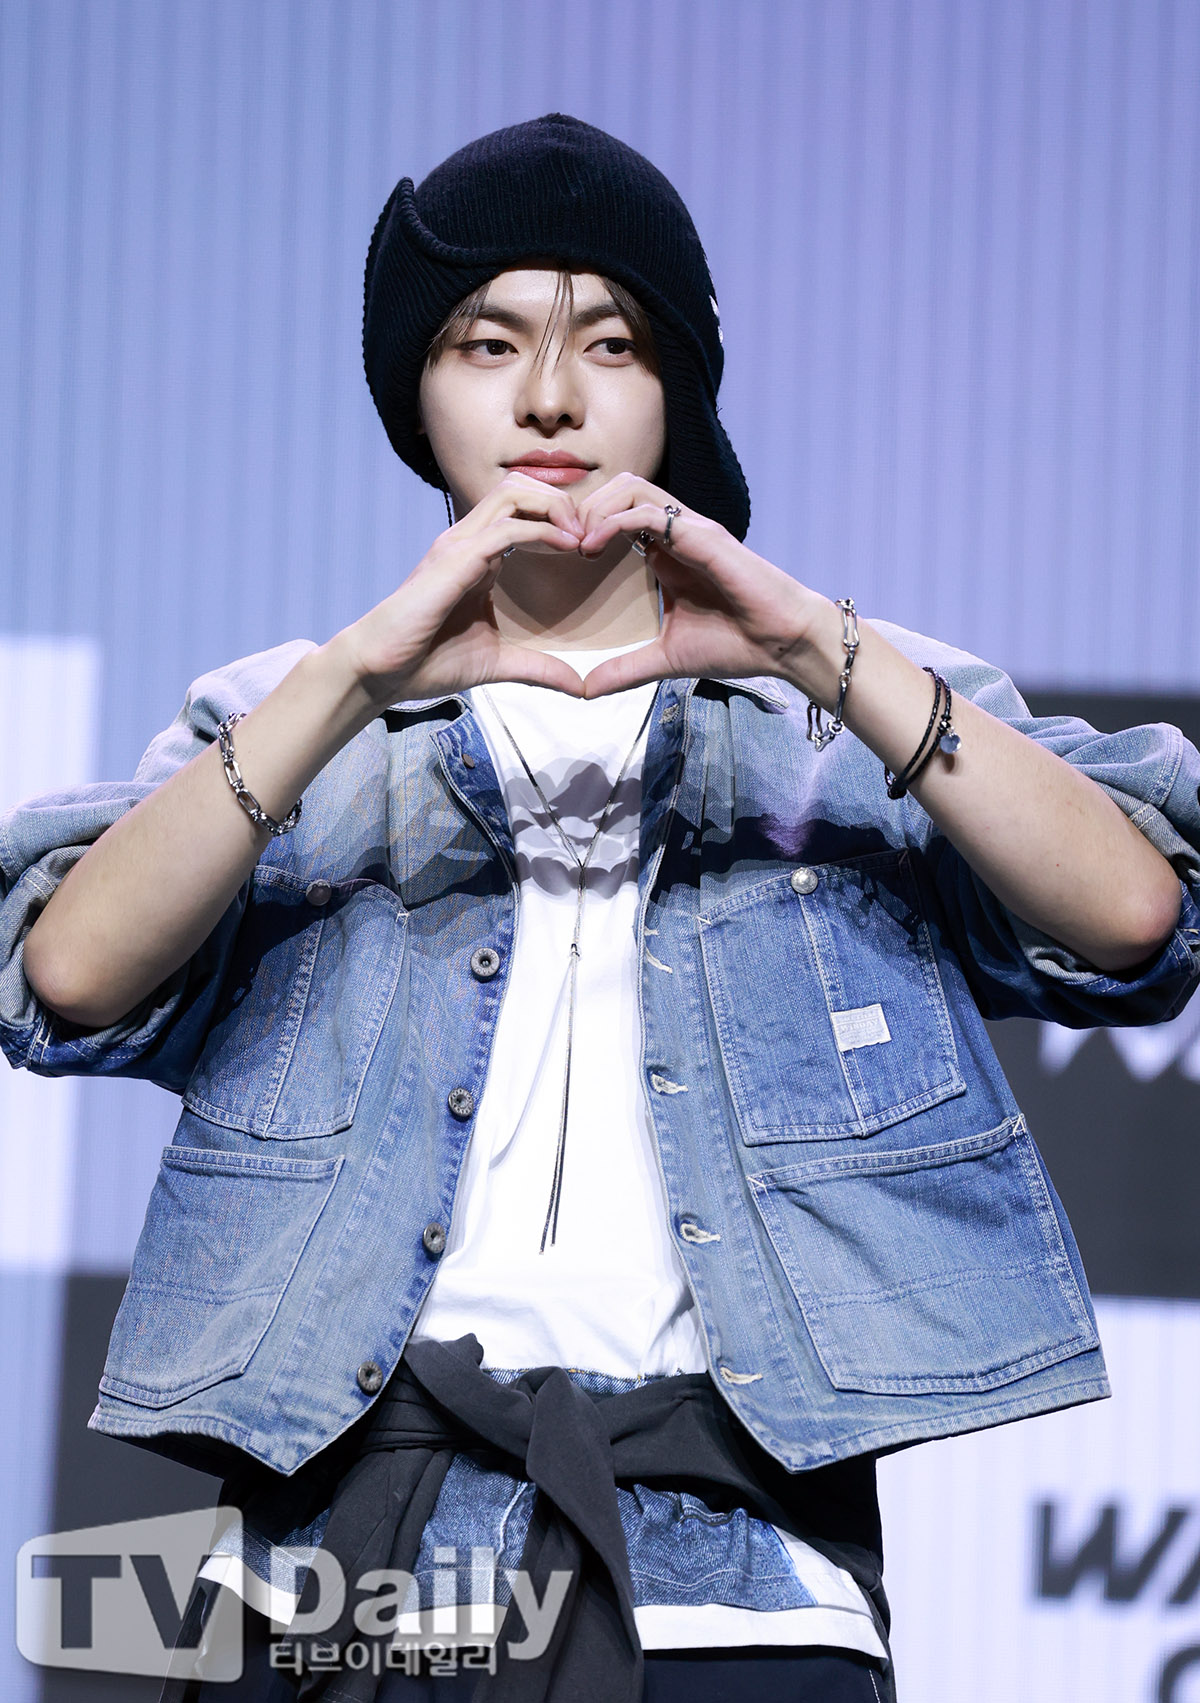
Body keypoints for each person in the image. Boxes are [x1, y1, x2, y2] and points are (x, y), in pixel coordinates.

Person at [3, 113, 1200, 1703]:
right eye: (487, 343)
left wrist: (806, 640)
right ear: (417, 393)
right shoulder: (290, 713)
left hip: (740, 1587)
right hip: (336, 1574)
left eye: (612, 343)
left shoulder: (838, 707)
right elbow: (68, 975)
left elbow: (1135, 914)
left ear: (677, 385)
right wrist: (355, 678)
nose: (550, 398)